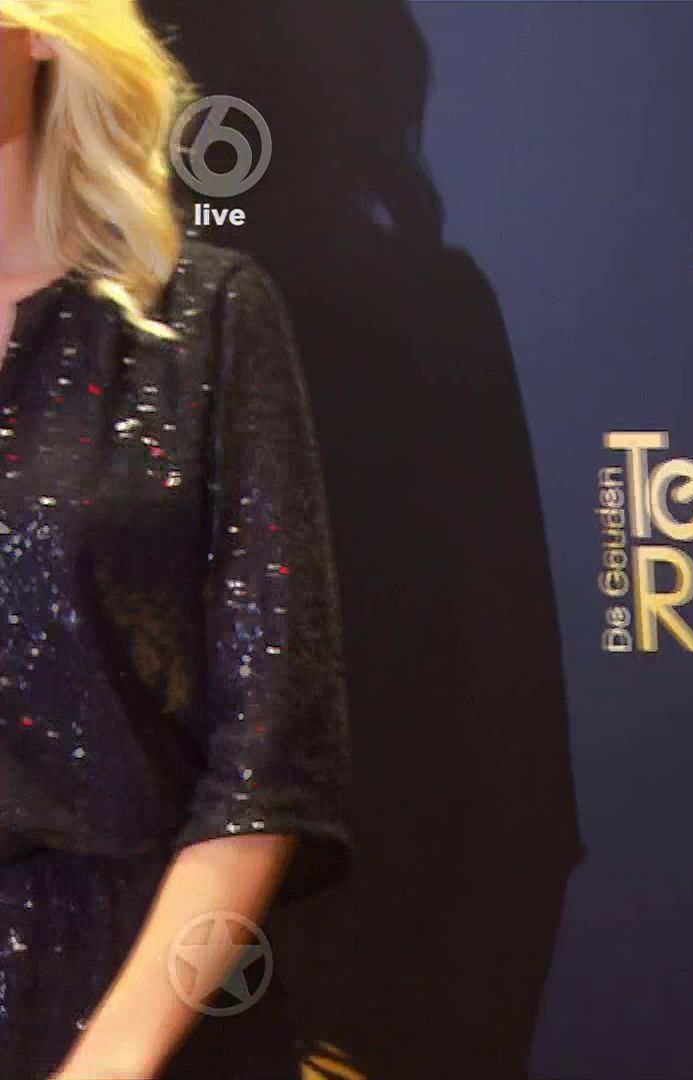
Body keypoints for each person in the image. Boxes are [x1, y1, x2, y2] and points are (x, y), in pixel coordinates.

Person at [0, 2, 349, 1077]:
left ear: (40, 27)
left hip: (131, 1005)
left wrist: (114, 1059)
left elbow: (268, 763)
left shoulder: (204, 318)